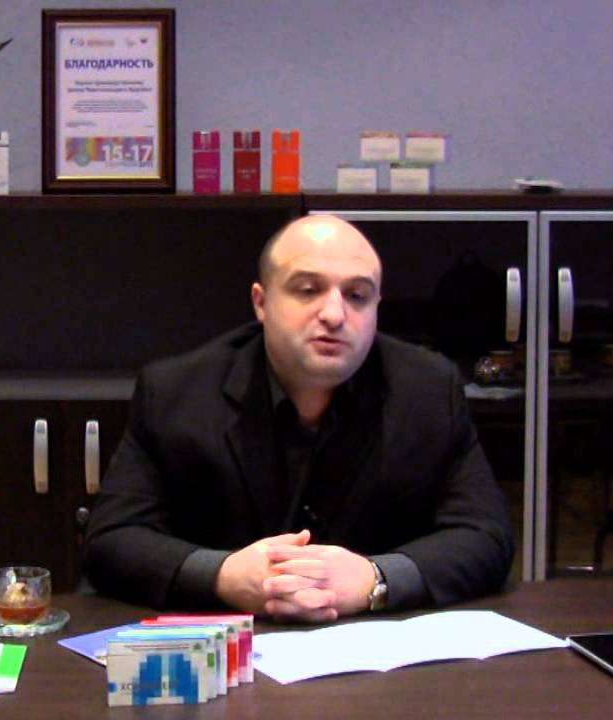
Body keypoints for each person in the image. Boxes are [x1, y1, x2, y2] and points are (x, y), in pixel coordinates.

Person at [83, 214, 513, 622]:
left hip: (372, 651)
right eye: (308, 290)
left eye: (357, 296)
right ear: (261, 302)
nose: (334, 314)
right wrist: (222, 575)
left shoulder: (429, 390)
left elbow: (485, 536)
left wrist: (375, 578)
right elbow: (112, 539)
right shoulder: (176, 393)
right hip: (226, 650)